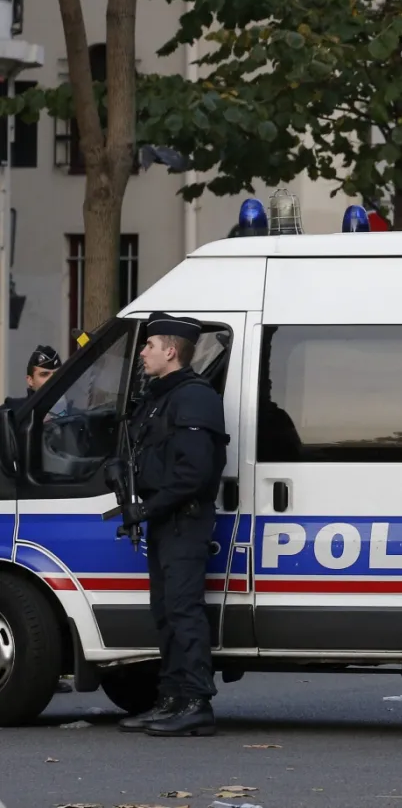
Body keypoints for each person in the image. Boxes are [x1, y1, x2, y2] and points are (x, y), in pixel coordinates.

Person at [116, 314, 229, 737]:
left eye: (149, 345)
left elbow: (193, 473)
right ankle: (171, 698)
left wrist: (148, 509)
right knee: (165, 613)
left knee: (184, 611)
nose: (142, 352)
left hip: (183, 518)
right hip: (166, 519)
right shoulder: (159, 397)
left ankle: (196, 702)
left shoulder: (193, 398)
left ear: (171, 350)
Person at [3, 344, 62, 411]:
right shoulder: (13, 411)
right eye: (44, 374)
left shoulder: (72, 413)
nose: (52, 379)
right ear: (30, 380)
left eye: (57, 374)